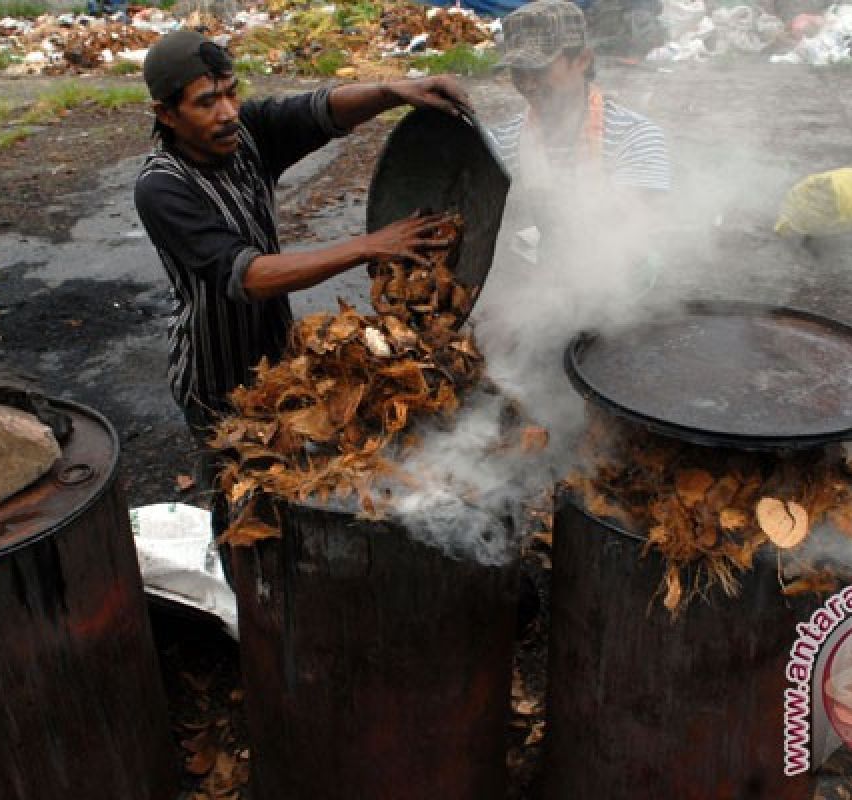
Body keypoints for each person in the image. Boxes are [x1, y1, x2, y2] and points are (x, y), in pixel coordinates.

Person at [133, 31, 469, 489]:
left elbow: (319, 110)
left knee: (291, 481)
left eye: (232, 92)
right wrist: (367, 245)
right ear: (166, 114)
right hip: (216, 378)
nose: (227, 113)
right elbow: (247, 276)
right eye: (207, 102)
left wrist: (393, 91)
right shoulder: (162, 187)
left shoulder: (246, 133)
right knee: (240, 495)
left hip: (278, 358)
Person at [487, 0, 670, 268]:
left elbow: (632, 232)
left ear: (582, 60)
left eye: (539, 70)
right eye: (518, 71)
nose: (527, 83)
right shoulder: (501, 144)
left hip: (618, 285)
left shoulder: (635, 137)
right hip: (531, 291)